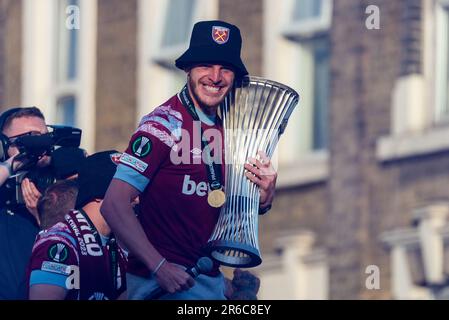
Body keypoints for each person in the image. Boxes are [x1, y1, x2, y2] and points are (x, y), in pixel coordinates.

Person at [101, 20, 277, 300]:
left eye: (226, 68)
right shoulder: (162, 124)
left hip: (209, 281)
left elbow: (221, 207)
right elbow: (113, 204)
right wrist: (160, 267)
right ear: (188, 69)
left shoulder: (231, 129)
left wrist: (264, 197)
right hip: (158, 286)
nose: (215, 77)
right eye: (206, 65)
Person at [27, 151, 127, 300]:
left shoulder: (115, 245)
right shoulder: (59, 242)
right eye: (128, 190)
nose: (138, 199)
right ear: (100, 194)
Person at [0, 107, 50, 299]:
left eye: (43, 138)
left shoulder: (64, 184)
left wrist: (45, 217)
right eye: (27, 140)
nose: (38, 148)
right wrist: (13, 164)